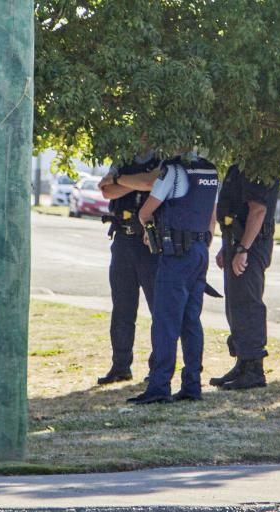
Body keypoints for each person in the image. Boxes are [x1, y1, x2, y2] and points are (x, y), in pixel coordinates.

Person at [101, 151, 219, 404]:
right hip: (199, 251)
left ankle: (159, 386)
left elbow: (146, 212)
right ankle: (192, 385)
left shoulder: (173, 171)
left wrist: (149, 231)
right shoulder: (210, 170)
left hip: (176, 253)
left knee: (165, 321)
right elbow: (211, 216)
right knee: (191, 321)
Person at [211, 164, 279, 390]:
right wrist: (228, 248)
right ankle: (242, 361)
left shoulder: (259, 166)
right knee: (235, 303)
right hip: (237, 241)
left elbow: (258, 210)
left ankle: (253, 369)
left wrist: (242, 249)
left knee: (248, 304)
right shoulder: (237, 167)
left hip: (251, 246)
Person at [96, 151, 160, 385]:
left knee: (158, 309)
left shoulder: (160, 159)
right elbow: (106, 190)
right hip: (123, 240)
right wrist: (135, 183)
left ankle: (158, 367)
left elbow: (150, 182)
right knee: (122, 308)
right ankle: (121, 366)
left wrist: (120, 179)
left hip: (149, 242)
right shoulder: (123, 159)